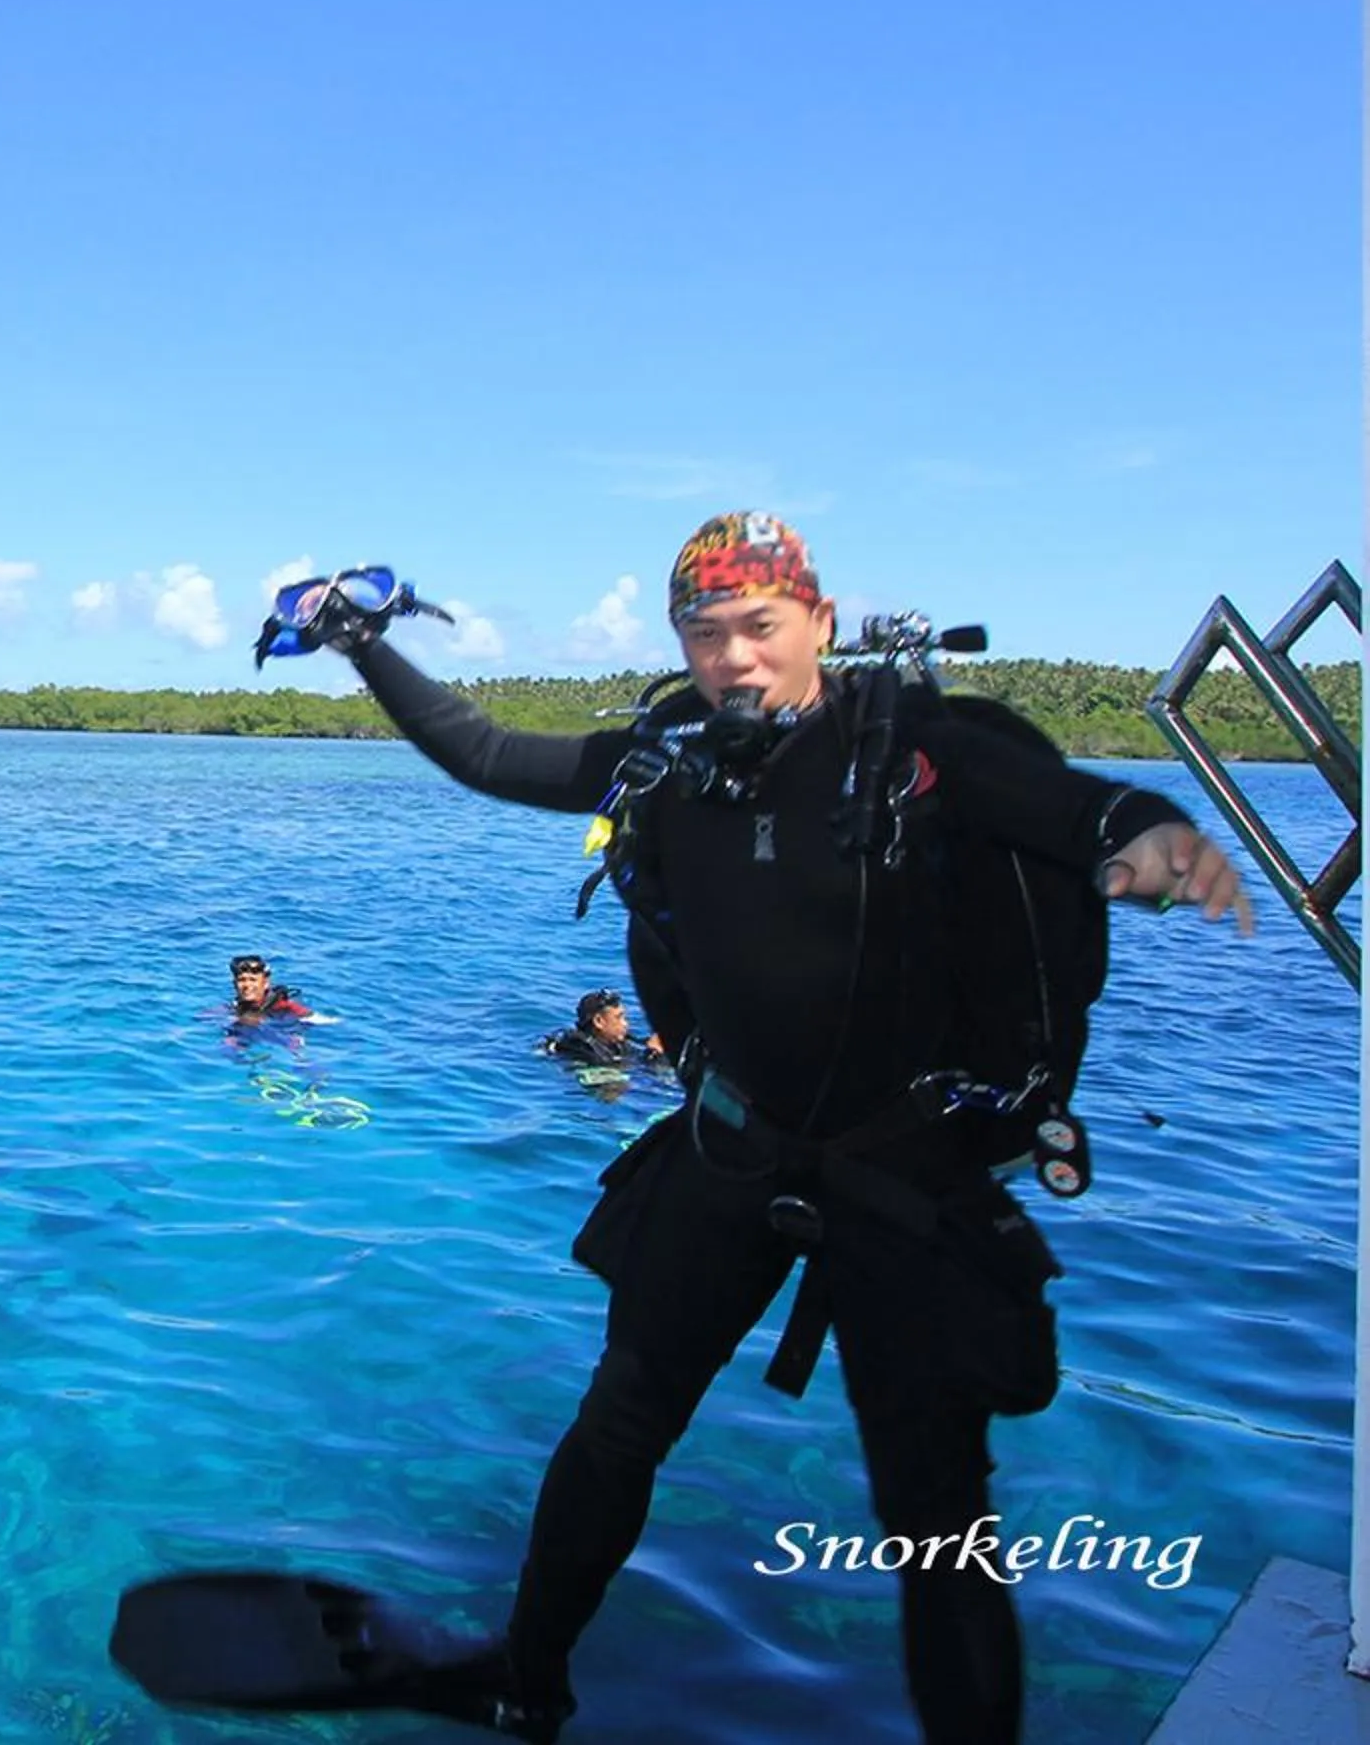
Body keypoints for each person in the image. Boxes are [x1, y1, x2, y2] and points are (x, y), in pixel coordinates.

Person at [254, 513, 1249, 1741]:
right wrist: (362, 644)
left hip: (903, 1174)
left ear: (819, 624)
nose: (734, 656)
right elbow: (486, 750)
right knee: (618, 1421)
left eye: (761, 627)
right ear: (682, 638)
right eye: (707, 631)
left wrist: (1148, 831)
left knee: (935, 1503)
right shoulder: (661, 762)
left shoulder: (909, 753)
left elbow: (1062, 804)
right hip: (732, 1148)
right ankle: (527, 1675)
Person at [537, 988, 665, 1071]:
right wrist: (652, 1055)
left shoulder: (614, 1041)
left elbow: (633, 1054)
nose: (625, 1024)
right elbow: (610, 1067)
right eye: (619, 1018)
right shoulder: (580, 1047)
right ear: (599, 1021)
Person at [228, 954, 315, 1023]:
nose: (247, 985)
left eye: (253, 980)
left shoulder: (283, 1005)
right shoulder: (236, 1005)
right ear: (235, 984)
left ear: (266, 983)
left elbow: (314, 1018)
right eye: (241, 980)